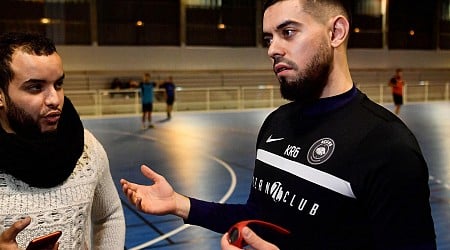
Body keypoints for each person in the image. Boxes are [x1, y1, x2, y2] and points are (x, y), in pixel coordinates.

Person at [121, 0, 436, 249]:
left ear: (336, 32)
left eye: (288, 32)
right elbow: (260, 216)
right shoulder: (276, 124)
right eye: (269, 38)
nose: (272, 49)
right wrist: (181, 204)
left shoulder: (388, 146)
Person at [0, 32, 125, 249]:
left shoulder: (87, 147)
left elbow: (109, 216)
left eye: (58, 85)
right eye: (35, 87)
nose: (55, 100)